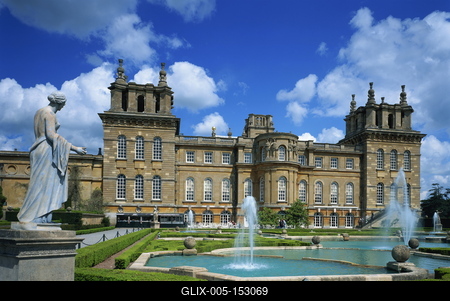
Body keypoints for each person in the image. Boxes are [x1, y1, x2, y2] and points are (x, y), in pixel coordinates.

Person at [17, 91, 86, 226]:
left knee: (41, 184)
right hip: (46, 150)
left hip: (38, 148)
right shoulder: (49, 114)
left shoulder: (39, 111)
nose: (63, 107)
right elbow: (51, 135)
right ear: (59, 102)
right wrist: (75, 148)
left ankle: (43, 217)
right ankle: (35, 216)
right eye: (63, 105)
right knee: (44, 184)